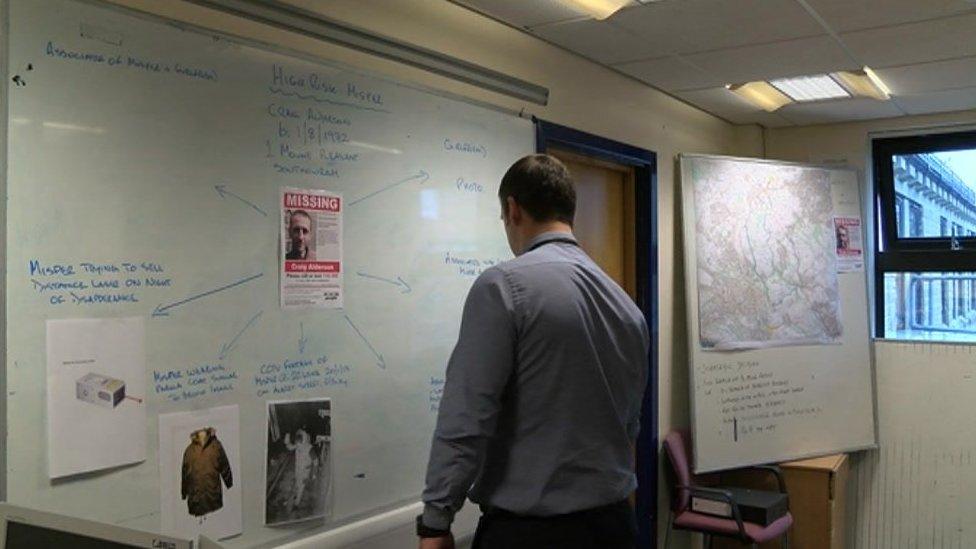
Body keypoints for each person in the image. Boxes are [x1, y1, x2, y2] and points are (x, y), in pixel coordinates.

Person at [417, 154, 650, 549]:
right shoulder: (625, 305)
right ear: (568, 212)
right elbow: (628, 425)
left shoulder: (503, 288)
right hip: (615, 527)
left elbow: (467, 417)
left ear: (512, 209)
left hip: (531, 534)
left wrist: (436, 521)